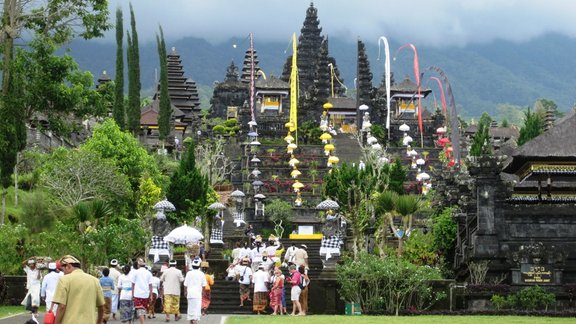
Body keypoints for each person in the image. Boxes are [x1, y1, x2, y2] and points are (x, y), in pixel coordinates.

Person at [52, 255, 105, 324]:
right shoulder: (95, 281)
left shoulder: (64, 280)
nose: (63, 273)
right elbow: (101, 307)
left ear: (68, 266)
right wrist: (99, 322)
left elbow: (62, 306)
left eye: (63, 270)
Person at [183, 258, 207, 324]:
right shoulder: (201, 274)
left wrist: (185, 292)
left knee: (190, 311)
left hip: (190, 294)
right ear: (199, 266)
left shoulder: (189, 273)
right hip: (198, 294)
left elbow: (185, 284)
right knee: (196, 312)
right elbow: (204, 285)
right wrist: (203, 293)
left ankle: (192, 321)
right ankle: (195, 321)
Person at [131, 258, 153, 324]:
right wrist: (151, 295)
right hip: (146, 294)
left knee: (140, 309)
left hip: (137, 294)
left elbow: (133, 284)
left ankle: (143, 322)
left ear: (138, 265)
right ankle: (142, 322)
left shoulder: (135, 272)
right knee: (143, 309)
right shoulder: (149, 273)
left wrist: (132, 294)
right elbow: (150, 285)